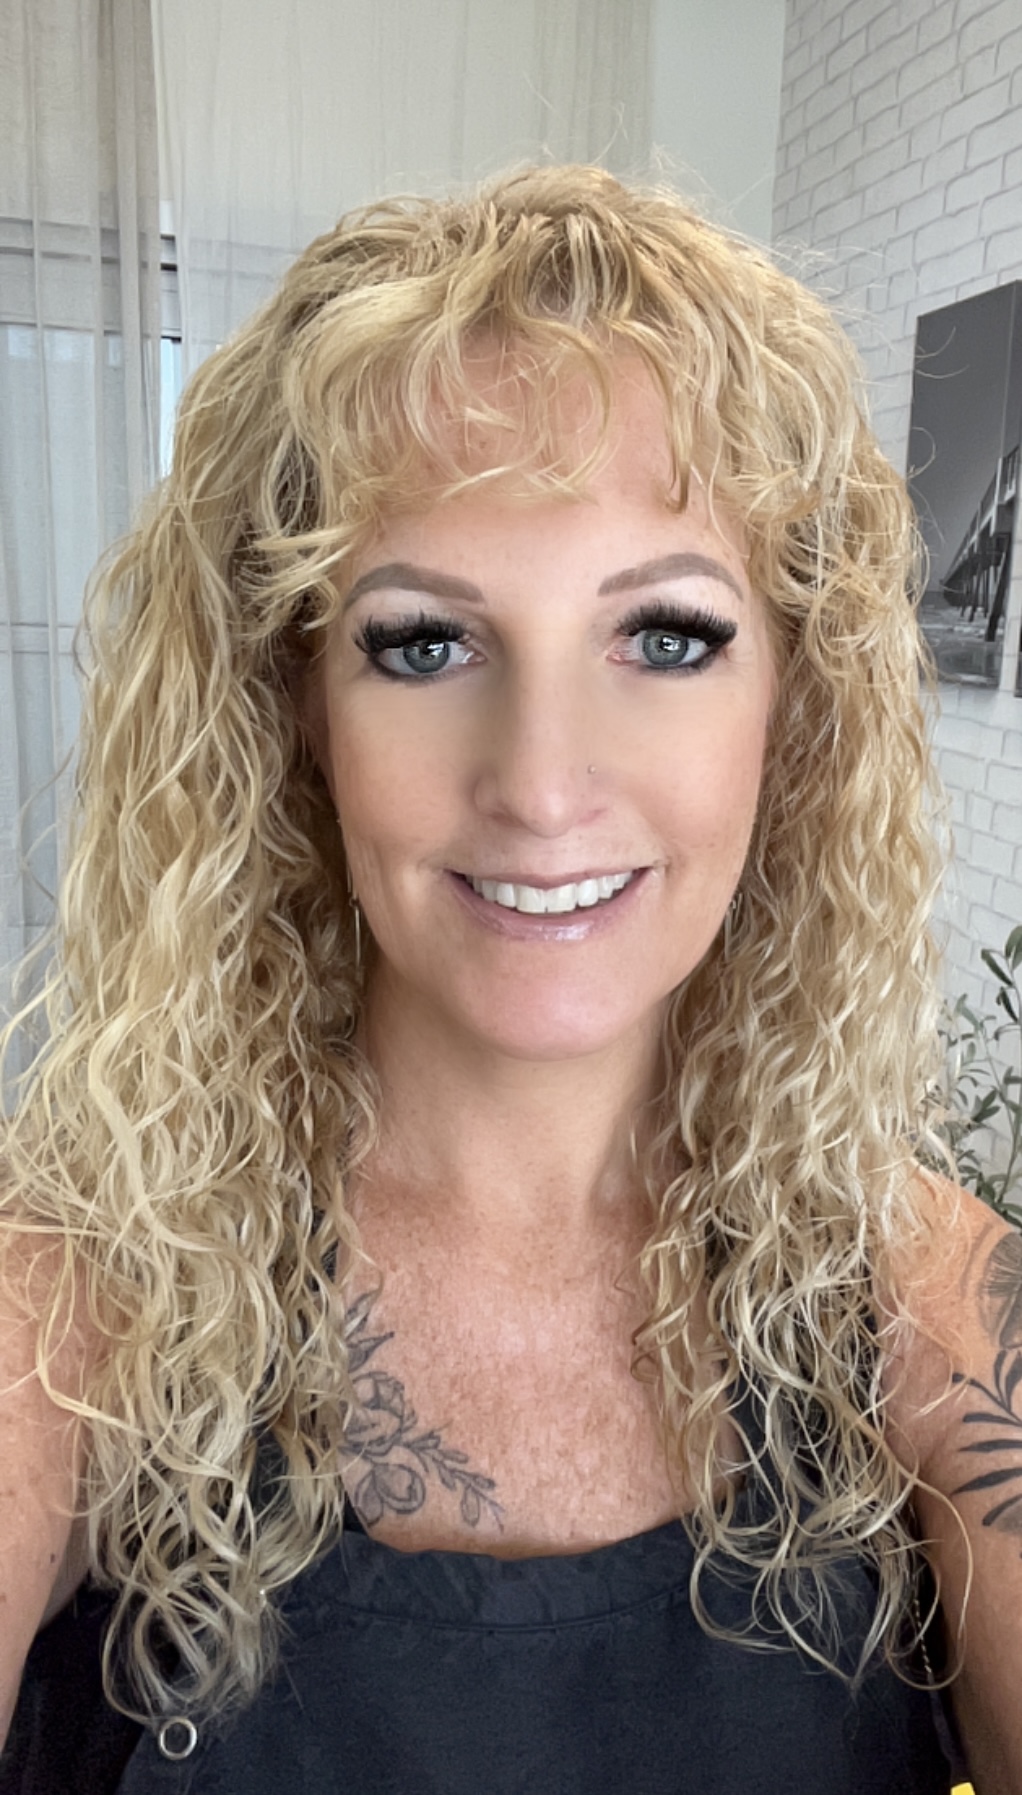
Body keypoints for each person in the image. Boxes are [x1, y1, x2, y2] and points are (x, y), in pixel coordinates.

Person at [0, 163, 1019, 1794]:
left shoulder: (933, 1309)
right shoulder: (71, 1299)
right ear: (295, 708)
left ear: (795, 702)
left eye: (665, 637)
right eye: (424, 642)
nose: (541, 786)